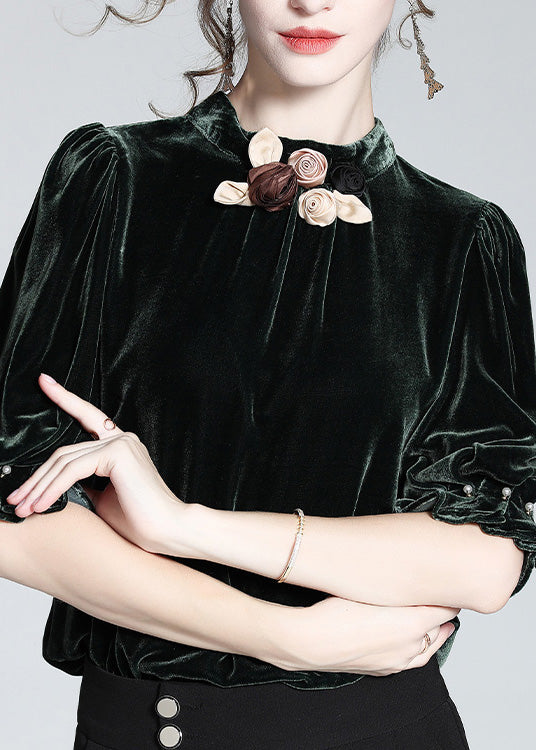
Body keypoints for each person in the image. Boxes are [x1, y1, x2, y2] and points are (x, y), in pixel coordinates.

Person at [1, 1, 535, 748]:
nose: (312, 1)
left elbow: (486, 558)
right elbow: (11, 515)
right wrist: (285, 636)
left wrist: (184, 525)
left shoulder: (464, 238)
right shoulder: (115, 179)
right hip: (154, 727)